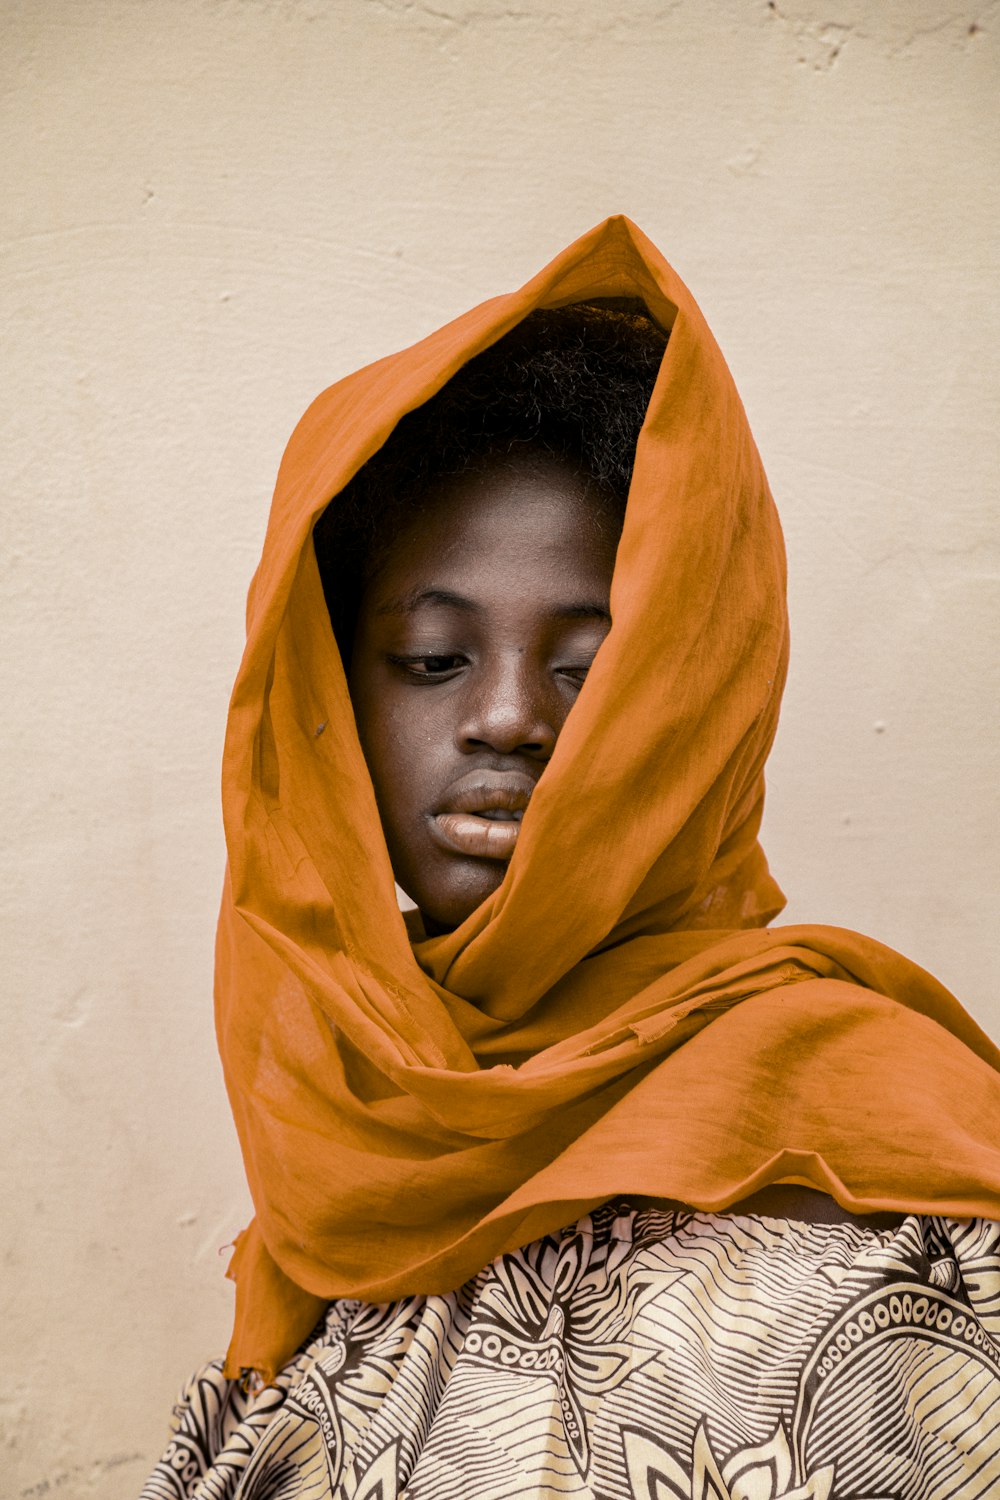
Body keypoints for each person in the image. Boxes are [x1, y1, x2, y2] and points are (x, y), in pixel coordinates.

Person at [142, 218, 1000, 1500]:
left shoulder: (886, 1168)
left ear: (695, 703)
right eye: (432, 659)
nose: (502, 719)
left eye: (591, 672)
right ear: (330, 701)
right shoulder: (343, 1164)